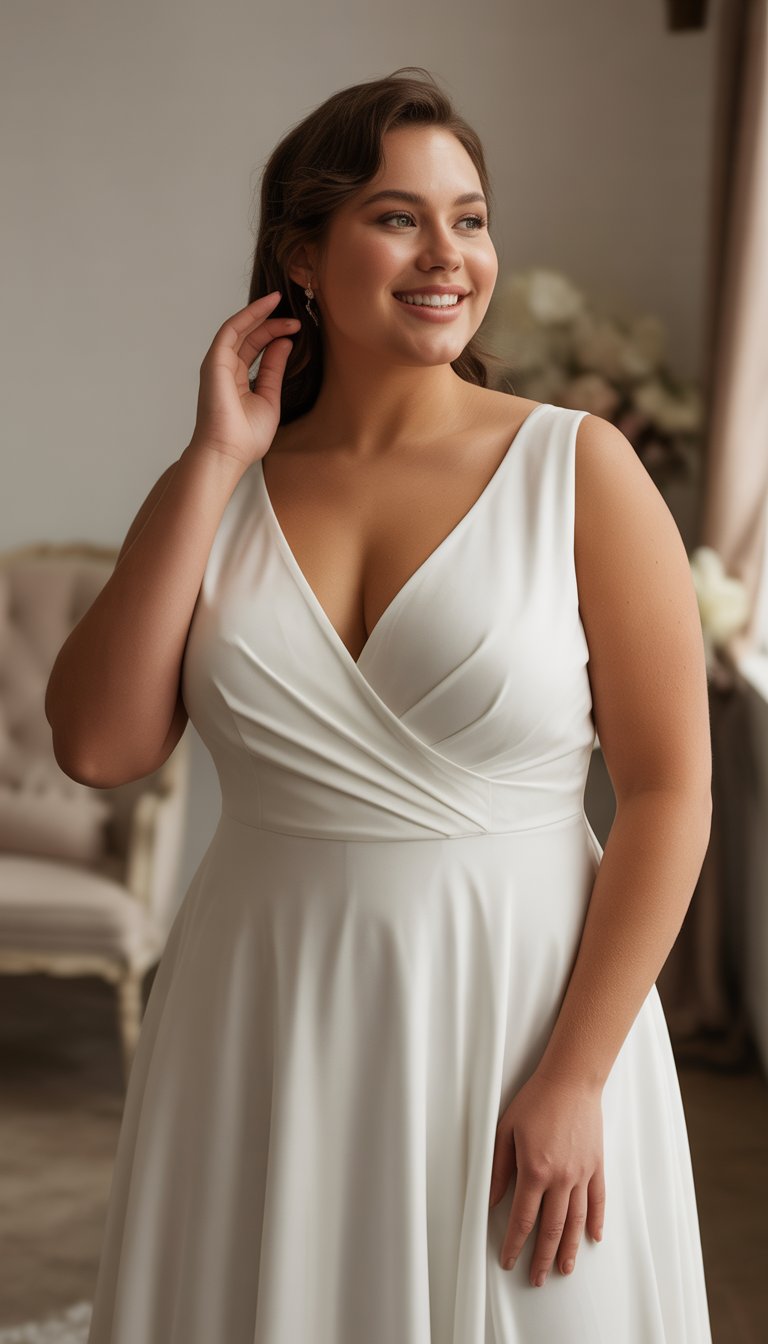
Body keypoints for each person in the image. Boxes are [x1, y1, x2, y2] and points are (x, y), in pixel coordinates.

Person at [47, 66, 714, 1343]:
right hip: (264, 1012)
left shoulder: (579, 466)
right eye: (398, 216)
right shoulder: (223, 487)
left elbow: (673, 794)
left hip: (524, 1011)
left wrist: (578, 1077)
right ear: (301, 252)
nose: (447, 254)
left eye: (468, 218)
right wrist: (211, 460)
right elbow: (99, 745)